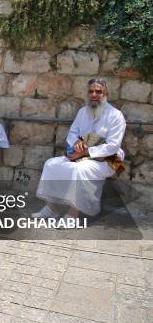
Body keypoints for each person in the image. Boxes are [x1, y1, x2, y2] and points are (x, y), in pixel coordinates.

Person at [34, 78, 126, 221]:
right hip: (81, 155)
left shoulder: (116, 115)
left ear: (105, 93)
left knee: (81, 169)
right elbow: (72, 133)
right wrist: (76, 142)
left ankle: (73, 215)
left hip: (110, 159)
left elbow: (113, 145)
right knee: (51, 164)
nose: (94, 94)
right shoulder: (83, 111)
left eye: (98, 91)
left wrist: (87, 152)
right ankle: (51, 209)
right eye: (91, 91)